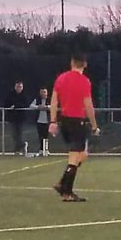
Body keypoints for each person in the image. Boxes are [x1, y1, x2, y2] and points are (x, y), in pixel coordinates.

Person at [48, 53, 100, 202]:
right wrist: (94, 125)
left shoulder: (61, 78)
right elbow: (88, 105)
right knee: (75, 156)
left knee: (82, 155)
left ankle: (62, 184)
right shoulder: (84, 81)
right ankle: (67, 192)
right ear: (85, 64)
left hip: (64, 121)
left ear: (71, 62)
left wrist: (53, 121)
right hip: (77, 121)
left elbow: (53, 101)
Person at [4, 81, 28, 154]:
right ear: (15, 87)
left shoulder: (24, 96)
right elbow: (6, 104)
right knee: (14, 134)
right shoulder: (10, 95)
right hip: (12, 118)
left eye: (20, 87)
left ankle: (20, 146)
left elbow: (26, 104)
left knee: (20, 133)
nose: (19, 88)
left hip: (21, 118)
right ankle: (19, 147)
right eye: (18, 87)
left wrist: (16, 106)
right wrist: (10, 106)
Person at [30, 88, 50, 155]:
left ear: (46, 93)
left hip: (47, 121)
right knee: (41, 136)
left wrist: (47, 107)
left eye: (44, 92)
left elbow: (55, 105)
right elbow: (31, 106)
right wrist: (38, 107)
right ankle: (41, 149)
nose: (43, 93)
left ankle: (46, 149)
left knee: (46, 136)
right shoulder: (37, 100)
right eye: (42, 92)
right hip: (39, 121)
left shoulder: (50, 99)